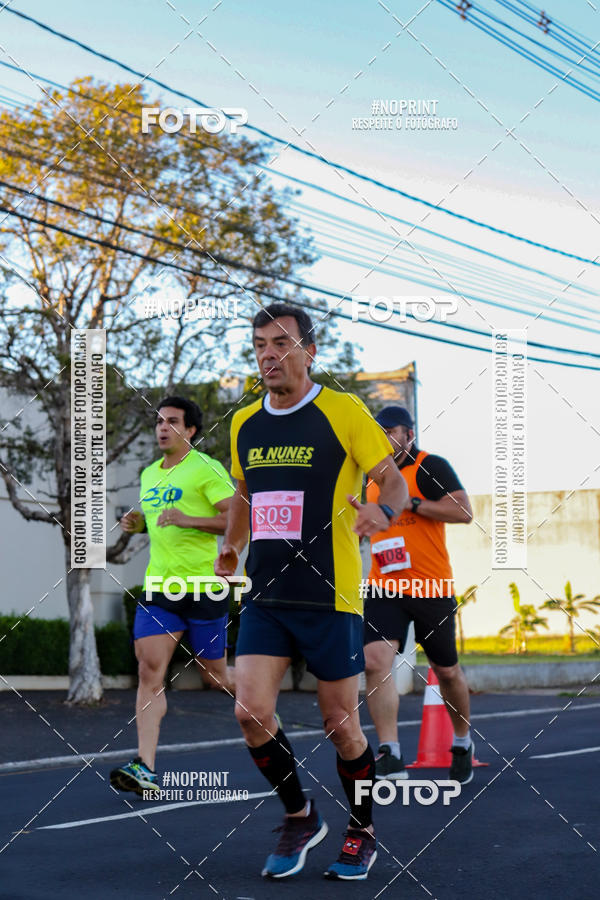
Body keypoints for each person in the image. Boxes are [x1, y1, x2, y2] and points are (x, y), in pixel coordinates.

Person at [215, 303, 408, 880]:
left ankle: (362, 829)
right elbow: (245, 497)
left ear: (309, 351)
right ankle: (300, 815)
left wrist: (384, 510)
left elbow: (391, 478)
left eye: (280, 343)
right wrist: (231, 544)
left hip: (331, 595)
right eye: (259, 346)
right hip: (267, 594)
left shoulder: (343, 410)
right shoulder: (244, 422)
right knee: (250, 711)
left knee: (339, 724)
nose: (268, 355)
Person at [110, 396, 234, 796]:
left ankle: (260, 704)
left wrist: (189, 519)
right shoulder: (149, 475)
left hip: (203, 587)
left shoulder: (206, 469)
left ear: (191, 430)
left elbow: (236, 517)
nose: (163, 428)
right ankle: (145, 766)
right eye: (159, 421)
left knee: (216, 678)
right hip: (160, 588)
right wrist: (136, 524)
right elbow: (159, 523)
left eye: (172, 421)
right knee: (149, 672)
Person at [363, 406, 474, 784]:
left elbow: (463, 512)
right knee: (376, 661)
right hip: (384, 587)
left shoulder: (429, 466)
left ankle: (462, 740)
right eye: (379, 432)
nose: (385, 438)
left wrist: (410, 503)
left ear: (409, 435)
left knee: (445, 670)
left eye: (391, 431)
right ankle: (390, 751)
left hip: (430, 587)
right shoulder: (369, 476)